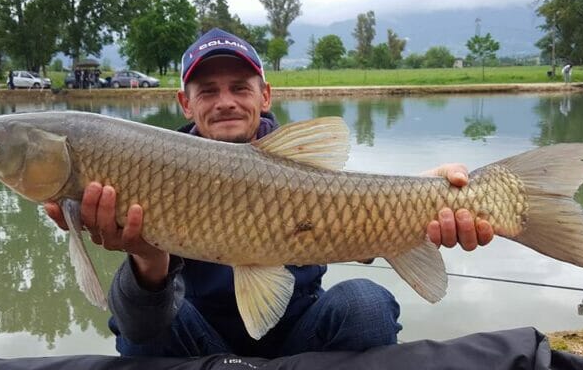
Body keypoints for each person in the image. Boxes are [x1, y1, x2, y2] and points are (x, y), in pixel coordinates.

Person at [44, 28, 495, 359]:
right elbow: (140, 330)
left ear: (265, 96)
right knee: (136, 323)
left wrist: (432, 193)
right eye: (208, 91)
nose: (225, 101)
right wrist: (146, 257)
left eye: (240, 88)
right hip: (197, 344)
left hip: (300, 336)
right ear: (185, 103)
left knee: (365, 302)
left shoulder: (299, 162)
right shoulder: (150, 164)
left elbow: (353, 203)